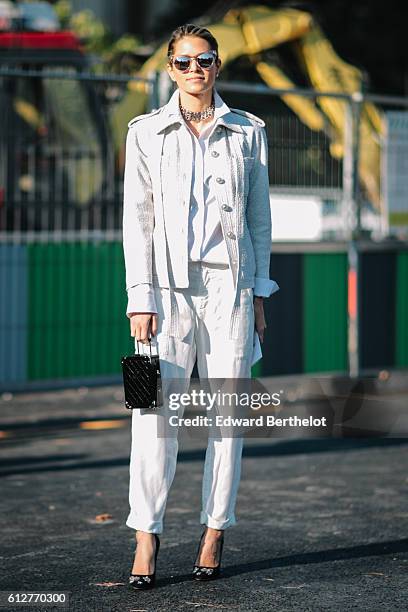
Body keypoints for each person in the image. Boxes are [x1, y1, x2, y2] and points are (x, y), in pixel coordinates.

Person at [122, 23, 279, 590]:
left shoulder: (248, 132)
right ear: (170, 69)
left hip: (230, 292)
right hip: (163, 295)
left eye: (205, 61)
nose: (196, 70)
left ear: (218, 66)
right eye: (185, 62)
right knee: (150, 416)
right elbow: (135, 224)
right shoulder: (146, 133)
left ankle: (215, 529)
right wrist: (139, 298)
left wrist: (260, 293)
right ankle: (146, 532)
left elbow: (260, 220)